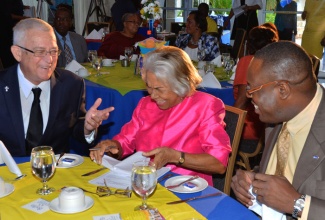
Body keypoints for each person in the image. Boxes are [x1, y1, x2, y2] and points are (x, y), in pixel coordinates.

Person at [90, 46, 231, 186]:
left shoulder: (206, 106)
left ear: (181, 84)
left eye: (159, 89)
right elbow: (125, 141)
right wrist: (112, 146)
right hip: (146, 184)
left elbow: (219, 163)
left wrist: (176, 157)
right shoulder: (146, 104)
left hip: (187, 189)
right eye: (148, 87)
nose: (152, 95)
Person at [231, 41, 325, 219]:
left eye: (253, 89)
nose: (249, 96)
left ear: (282, 89)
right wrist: (253, 179)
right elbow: (285, 171)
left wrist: (297, 204)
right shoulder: (276, 117)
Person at [0, 18, 114, 156]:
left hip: (54, 172)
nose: (49, 60)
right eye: (40, 52)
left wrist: (87, 128)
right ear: (18, 53)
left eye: (53, 51)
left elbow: (76, 127)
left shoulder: (71, 84)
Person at [233, 26, 278, 147]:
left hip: (249, 128)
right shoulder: (275, 63)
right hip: (269, 128)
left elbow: (241, 102)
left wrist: (227, 127)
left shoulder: (249, 62)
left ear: (249, 44)